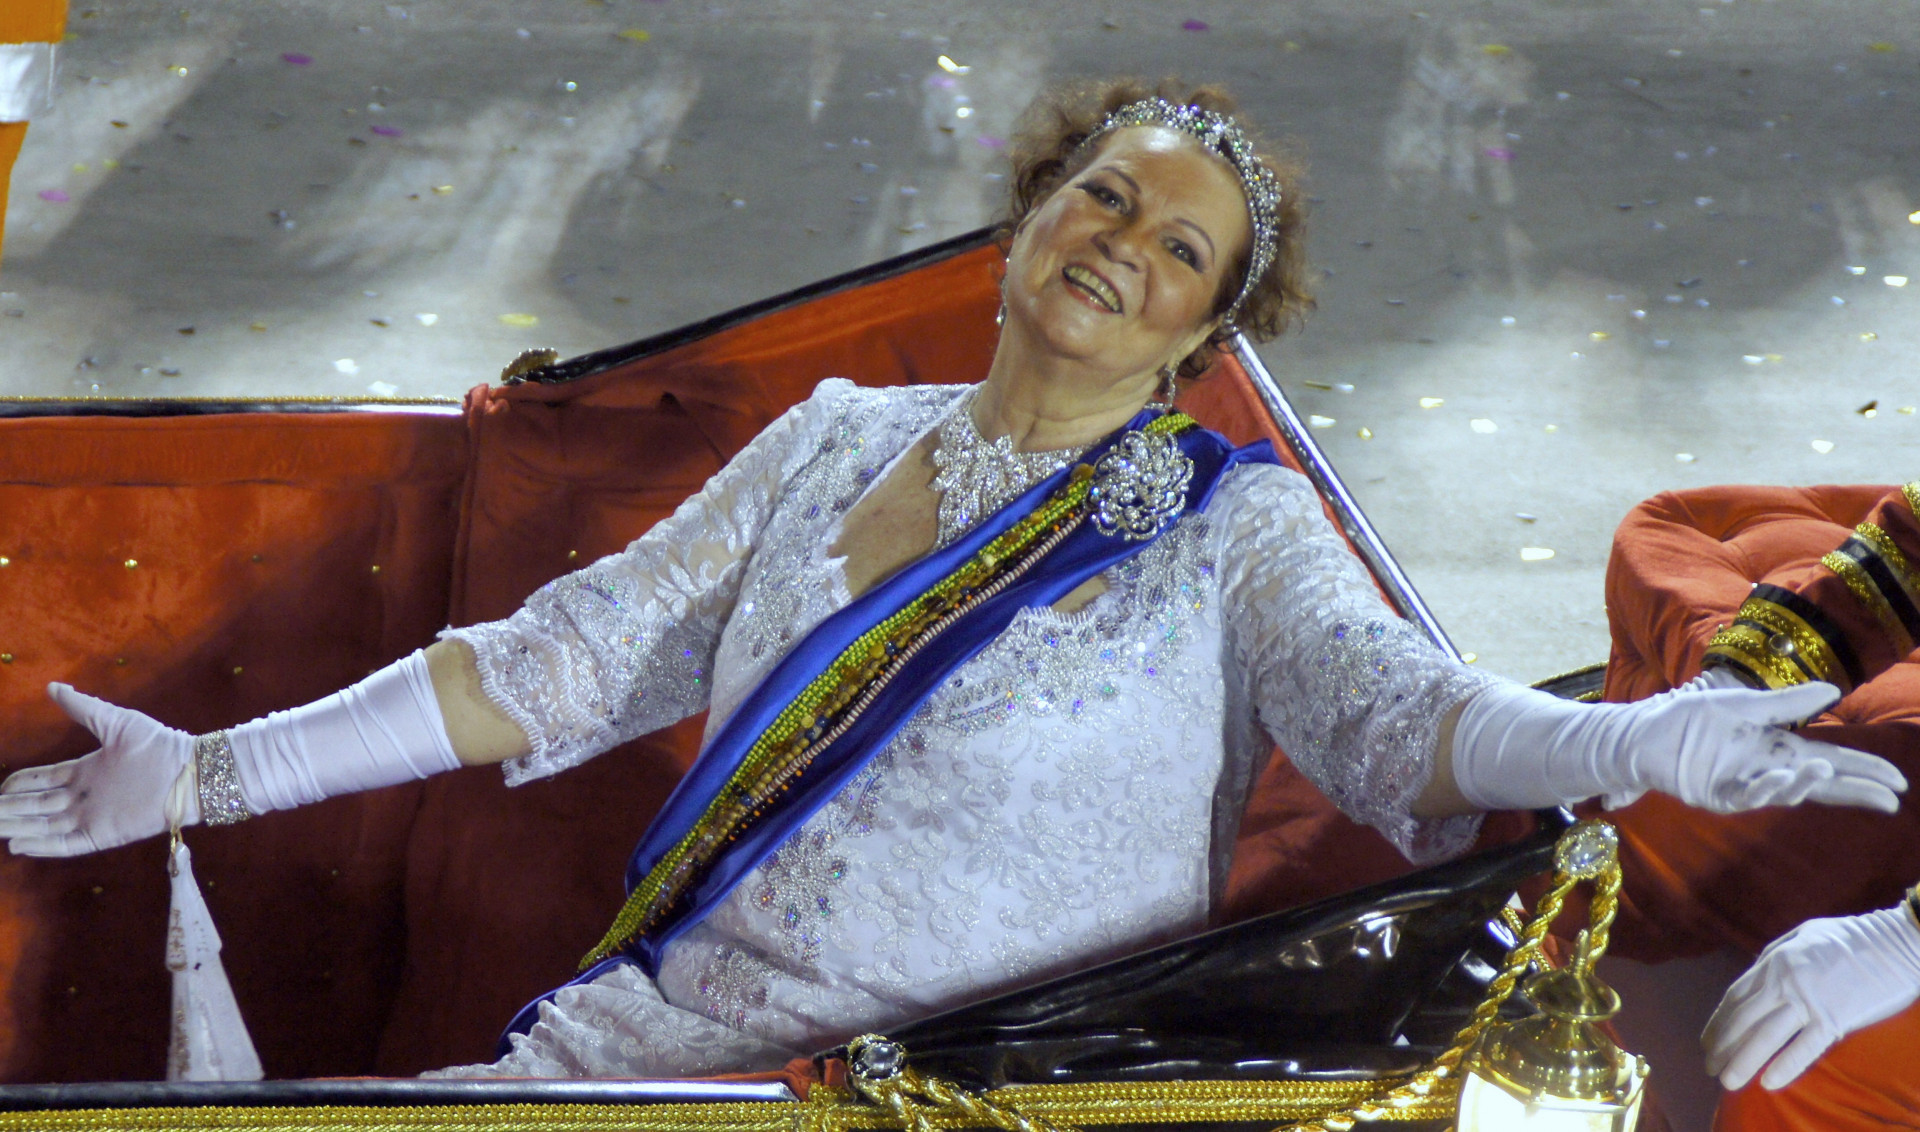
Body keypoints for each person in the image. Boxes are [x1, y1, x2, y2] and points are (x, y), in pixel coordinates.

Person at [0, 80, 1904, 1081]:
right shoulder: (830, 437)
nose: (1124, 243)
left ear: (1203, 337)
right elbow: (558, 662)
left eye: (1181, 250)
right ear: (1027, 214)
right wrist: (211, 774)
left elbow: (1414, 724)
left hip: (981, 1089)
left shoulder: (1226, 526)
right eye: (1104, 194)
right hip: (657, 1057)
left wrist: (1637, 744)